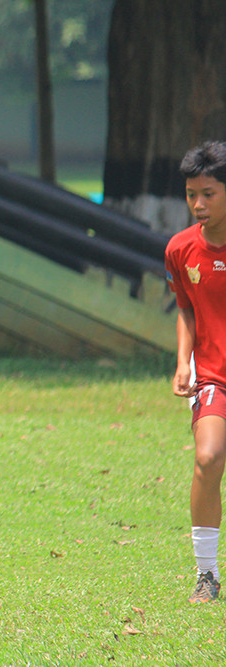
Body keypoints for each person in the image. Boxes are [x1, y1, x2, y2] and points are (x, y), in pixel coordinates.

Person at [167, 140, 226, 603]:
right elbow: (185, 309)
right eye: (191, 194)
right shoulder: (181, 249)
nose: (198, 204)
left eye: (208, 193)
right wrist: (183, 361)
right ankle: (207, 575)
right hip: (212, 375)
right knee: (208, 458)